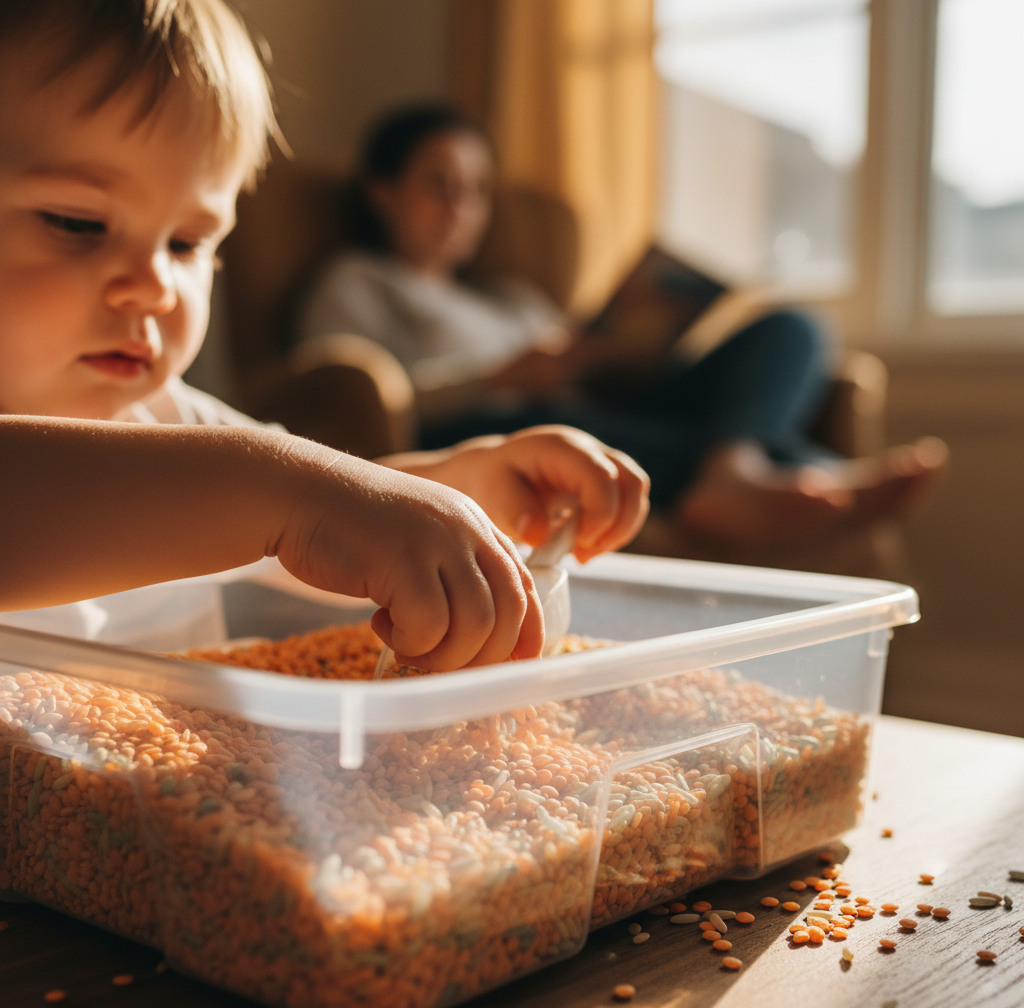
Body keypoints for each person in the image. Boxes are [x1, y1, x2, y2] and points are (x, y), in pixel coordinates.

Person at [0, 0, 649, 670]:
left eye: (188, 243)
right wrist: (284, 494)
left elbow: (319, 531)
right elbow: (282, 504)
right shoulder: (222, 465)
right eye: (77, 223)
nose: (158, 286)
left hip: (153, 769)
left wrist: (462, 485)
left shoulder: (163, 413)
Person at [301, 104, 948, 557]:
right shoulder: (355, 282)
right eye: (438, 185)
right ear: (382, 192)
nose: (460, 208)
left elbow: (582, 371)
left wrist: (615, 354)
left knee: (793, 327)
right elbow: (354, 402)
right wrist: (497, 377)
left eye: (475, 190)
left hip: (596, 405)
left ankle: (735, 465)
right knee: (573, 427)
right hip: (493, 426)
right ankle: (802, 472)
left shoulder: (512, 297)